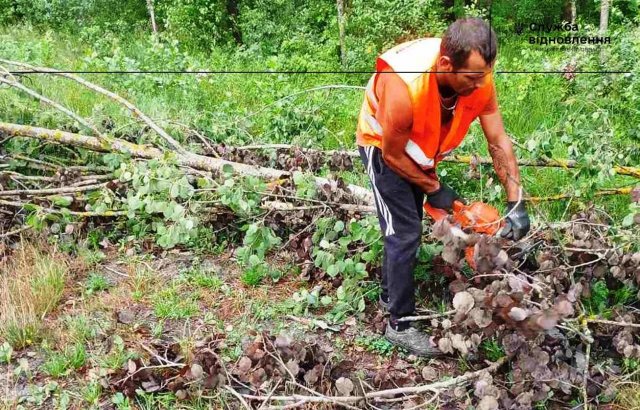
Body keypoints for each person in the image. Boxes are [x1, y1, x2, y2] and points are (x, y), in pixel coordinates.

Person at [355, 18, 530, 356]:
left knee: (408, 226)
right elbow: (393, 154)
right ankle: (399, 324)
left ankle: (389, 292)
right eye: (473, 78)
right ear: (446, 65)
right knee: (403, 231)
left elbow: (497, 140)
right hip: (382, 146)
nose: (481, 85)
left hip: (421, 146)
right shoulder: (403, 86)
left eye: (485, 76)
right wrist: (434, 187)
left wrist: (515, 200)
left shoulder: (479, 79)